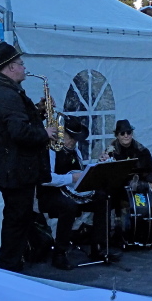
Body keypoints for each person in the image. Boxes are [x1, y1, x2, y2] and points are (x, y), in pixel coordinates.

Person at [0, 41, 56, 272]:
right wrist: (45, 133)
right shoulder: (8, 95)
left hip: (11, 168)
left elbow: (15, 122)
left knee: (17, 218)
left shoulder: (2, 91)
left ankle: (13, 262)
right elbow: (19, 132)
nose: (24, 68)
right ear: (10, 67)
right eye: (21, 64)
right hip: (15, 170)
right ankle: (10, 267)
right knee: (16, 220)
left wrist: (39, 111)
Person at [37, 115, 110, 270]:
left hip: (71, 191)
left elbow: (80, 172)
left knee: (102, 197)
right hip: (50, 194)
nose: (73, 142)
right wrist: (71, 178)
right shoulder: (50, 148)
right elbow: (46, 179)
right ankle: (59, 253)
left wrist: (98, 165)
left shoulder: (75, 149)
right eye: (70, 137)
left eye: (76, 139)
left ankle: (98, 246)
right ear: (63, 133)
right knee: (68, 206)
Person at [101, 119, 152, 224]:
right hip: (120, 189)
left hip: (140, 187)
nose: (126, 136)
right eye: (122, 133)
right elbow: (103, 175)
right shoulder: (110, 151)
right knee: (105, 197)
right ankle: (117, 228)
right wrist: (104, 162)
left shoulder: (142, 150)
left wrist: (151, 183)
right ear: (117, 135)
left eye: (129, 132)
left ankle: (149, 228)